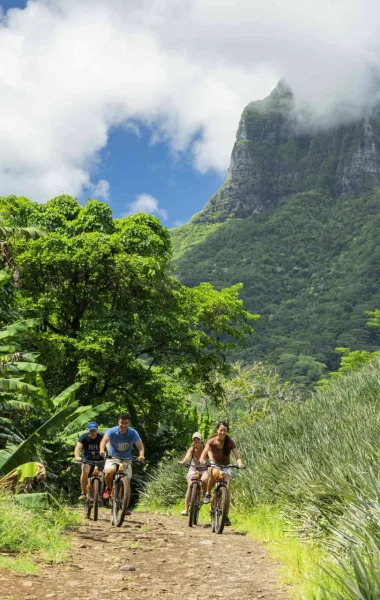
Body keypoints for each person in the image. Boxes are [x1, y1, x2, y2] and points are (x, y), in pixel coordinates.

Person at [200, 420, 244, 526]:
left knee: (227, 491)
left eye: (225, 431)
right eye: (221, 430)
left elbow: (237, 457)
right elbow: (203, 454)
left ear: (227, 431)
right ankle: (207, 493)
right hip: (215, 465)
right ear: (217, 430)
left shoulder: (230, 442)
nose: (222, 432)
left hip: (226, 466)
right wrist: (202, 460)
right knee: (215, 474)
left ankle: (225, 516)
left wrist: (240, 464)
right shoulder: (211, 441)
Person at [99, 412, 145, 502]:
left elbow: (140, 446)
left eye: (126, 423)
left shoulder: (133, 433)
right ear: (118, 422)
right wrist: (102, 450)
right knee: (109, 472)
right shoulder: (112, 431)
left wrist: (141, 455)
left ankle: (125, 506)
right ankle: (108, 488)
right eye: (121, 423)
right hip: (112, 457)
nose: (123, 425)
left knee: (126, 480)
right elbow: (104, 441)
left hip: (126, 459)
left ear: (129, 423)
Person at [179, 432, 209, 516]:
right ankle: (186, 509)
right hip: (193, 468)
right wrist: (183, 462)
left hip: (204, 469)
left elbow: (211, 456)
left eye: (198, 439)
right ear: (193, 440)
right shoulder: (192, 449)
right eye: (194, 439)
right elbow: (187, 457)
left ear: (201, 440)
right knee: (190, 486)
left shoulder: (205, 448)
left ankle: (204, 495)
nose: (196, 440)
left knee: (204, 480)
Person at [74, 421, 105, 501]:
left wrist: (108, 453)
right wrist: (77, 456)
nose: (93, 432)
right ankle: (83, 492)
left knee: (101, 475)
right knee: (85, 470)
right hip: (87, 460)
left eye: (94, 430)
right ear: (87, 430)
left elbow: (108, 445)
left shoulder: (101, 436)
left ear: (97, 430)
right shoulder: (83, 437)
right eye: (91, 431)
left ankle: (99, 494)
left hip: (100, 460)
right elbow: (78, 448)